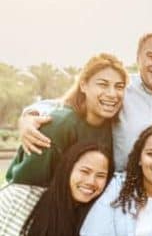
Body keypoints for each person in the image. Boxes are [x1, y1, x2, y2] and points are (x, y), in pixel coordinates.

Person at [18, 32, 152, 171]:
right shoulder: (120, 87)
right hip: (118, 187)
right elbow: (62, 103)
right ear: (138, 59)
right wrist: (29, 117)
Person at [6, 53, 126, 186]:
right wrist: (28, 115)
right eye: (103, 84)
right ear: (83, 85)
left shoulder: (116, 126)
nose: (112, 94)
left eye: (119, 87)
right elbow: (26, 186)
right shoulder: (57, 125)